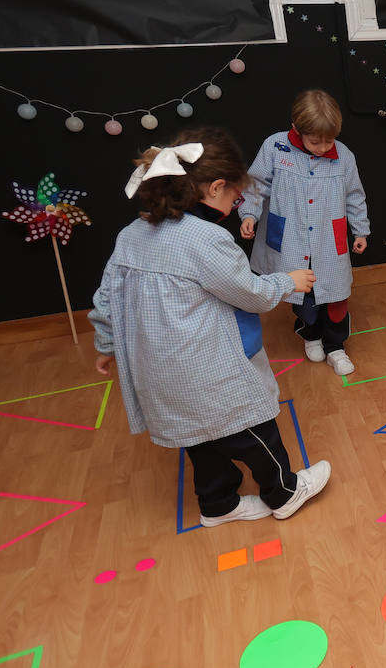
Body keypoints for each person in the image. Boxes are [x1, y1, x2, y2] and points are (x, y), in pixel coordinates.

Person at [90, 129, 332, 527]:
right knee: (254, 431)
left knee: (199, 439)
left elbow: (106, 298)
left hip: (160, 371)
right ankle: (284, 492)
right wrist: (289, 280)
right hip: (201, 368)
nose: (236, 205)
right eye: (234, 197)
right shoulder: (206, 238)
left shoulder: (130, 234)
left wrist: (107, 344)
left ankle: (218, 504)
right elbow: (250, 292)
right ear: (215, 187)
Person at [240, 90, 370, 376]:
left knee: (336, 297)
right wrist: (249, 213)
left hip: (327, 240)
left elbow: (354, 196)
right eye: (315, 141)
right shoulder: (274, 148)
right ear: (296, 128)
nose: (323, 148)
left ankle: (336, 347)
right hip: (291, 240)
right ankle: (310, 335)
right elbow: (255, 185)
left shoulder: (343, 156)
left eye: (329, 140)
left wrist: (360, 229)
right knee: (302, 294)